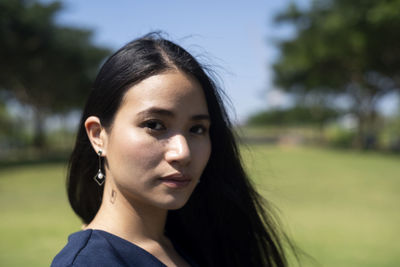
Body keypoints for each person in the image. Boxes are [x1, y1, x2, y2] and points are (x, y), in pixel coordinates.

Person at [51, 33, 293, 267]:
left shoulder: (198, 244)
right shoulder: (89, 262)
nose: (183, 152)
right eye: (155, 125)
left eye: (197, 129)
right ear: (98, 135)